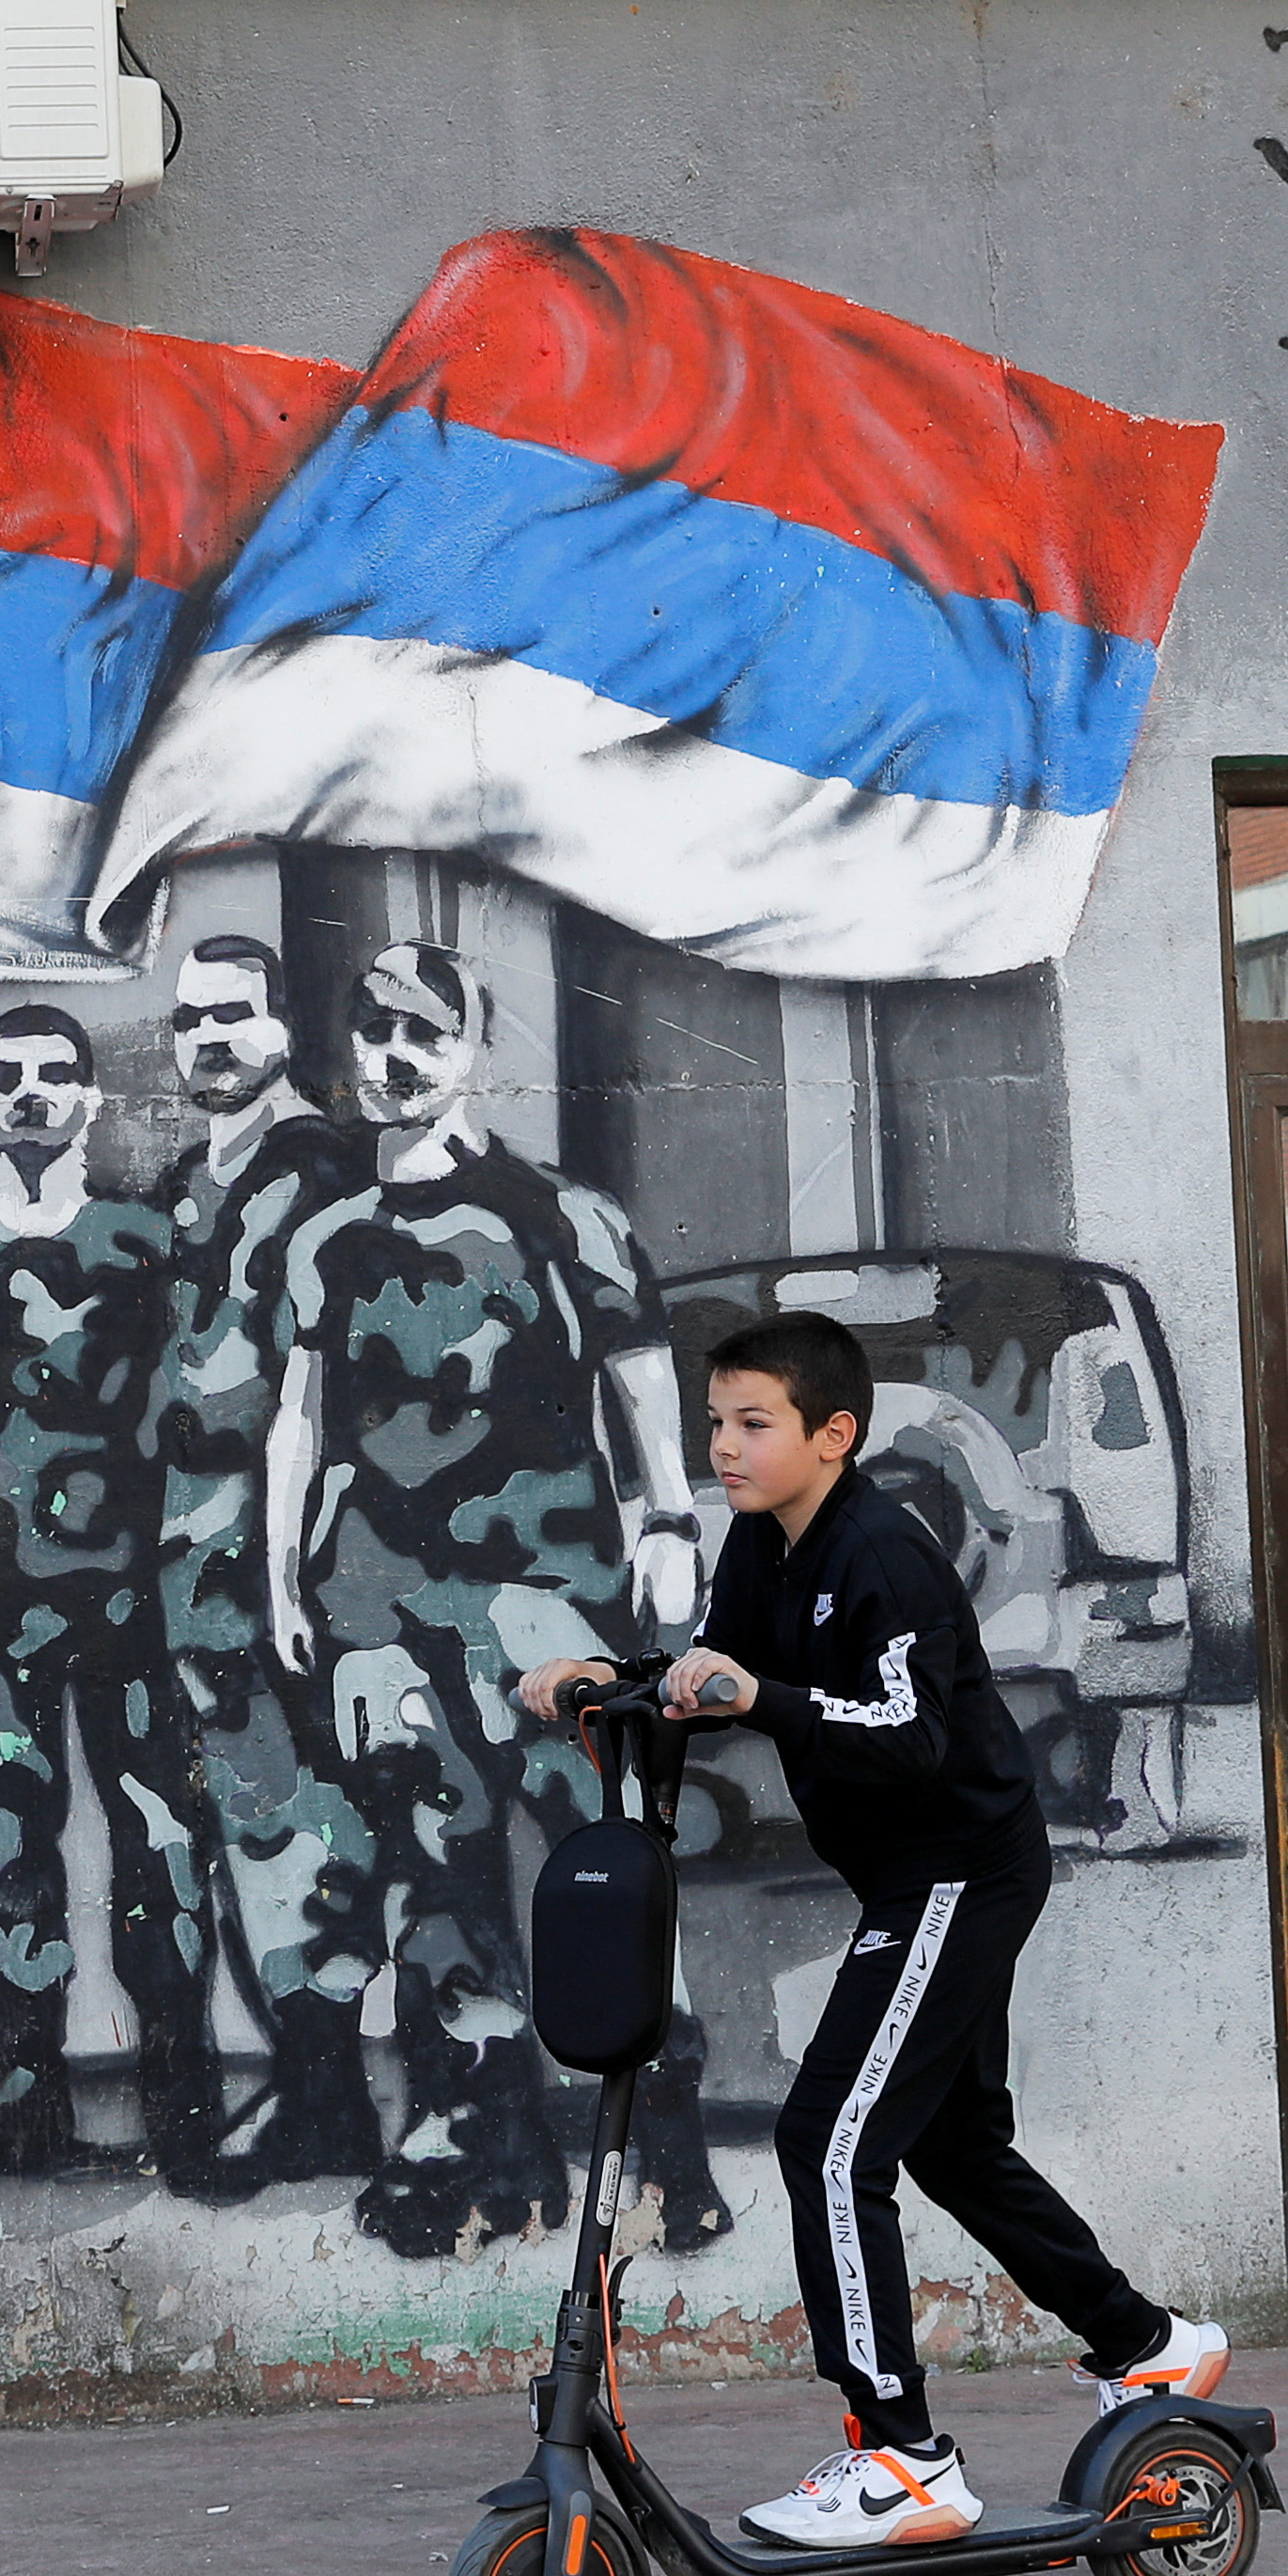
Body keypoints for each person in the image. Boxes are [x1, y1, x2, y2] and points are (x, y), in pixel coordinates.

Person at [517, 1309, 1229, 2554]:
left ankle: (900, 2458)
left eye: (752, 1425)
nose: (723, 1449)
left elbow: (907, 1740)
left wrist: (768, 1699)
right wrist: (611, 1680)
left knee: (831, 2147)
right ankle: (1147, 2345)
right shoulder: (760, 1544)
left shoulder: (884, 1557)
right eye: (714, 1426)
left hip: (953, 1871)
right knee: (950, 2146)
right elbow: (718, 1678)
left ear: (831, 1435)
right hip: (917, 1878)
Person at [265, 941, 727, 2257]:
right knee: (434, 1879)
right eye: (370, 1030)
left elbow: (639, 1374)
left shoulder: (559, 1215)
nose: (393, 1058)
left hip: (545, 1598)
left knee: (597, 1868)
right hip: (380, 1604)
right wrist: (282, 1568)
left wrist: (667, 1524)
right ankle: (490, 2151)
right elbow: (298, 1419)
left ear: (472, 1049)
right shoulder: (328, 1238)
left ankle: (663, 2155)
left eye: (421, 1033)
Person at [0, 1005, 238, 2185]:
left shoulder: (149, 1242)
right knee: (3, 1853)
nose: (36, 1095)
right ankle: (20, 2107)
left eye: (59, 1076)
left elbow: (203, 1413)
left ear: (93, 1100)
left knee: (160, 1845)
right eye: (12, 1080)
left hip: (131, 1602)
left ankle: (183, 2108)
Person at [139, 936, 379, 2186]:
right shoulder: (196, 1177)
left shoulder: (322, 1173)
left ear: (285, 1025)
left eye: (235, 1014)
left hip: (275, 1546)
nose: (211, 1040)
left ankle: (327, 2092)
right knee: (247, 1817)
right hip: (191, 1550)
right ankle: (304, 2080)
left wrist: (289, 1562)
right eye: (189, 1022)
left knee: (297, 1822)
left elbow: (314, 1384)